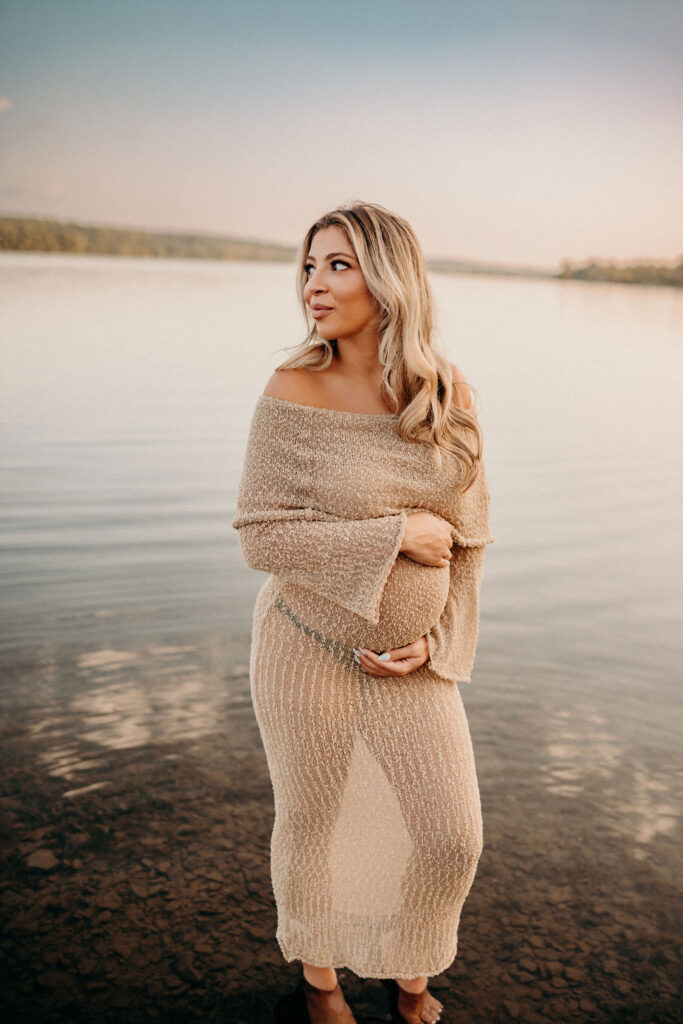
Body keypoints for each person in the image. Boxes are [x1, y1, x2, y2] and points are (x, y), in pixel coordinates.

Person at [232, 201, 495, 1024]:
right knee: (314, 819)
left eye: (337, 265)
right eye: (309, 265)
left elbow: (470, 536)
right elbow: (261, 535)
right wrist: (394, 534)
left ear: (388, 277)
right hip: (304, 643)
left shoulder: (444, 392)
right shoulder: (292, 388)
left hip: (411, 662)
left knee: (451, 837)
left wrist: (439, 642)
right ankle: (320, 984)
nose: (314, 283)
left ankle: (409, 974)